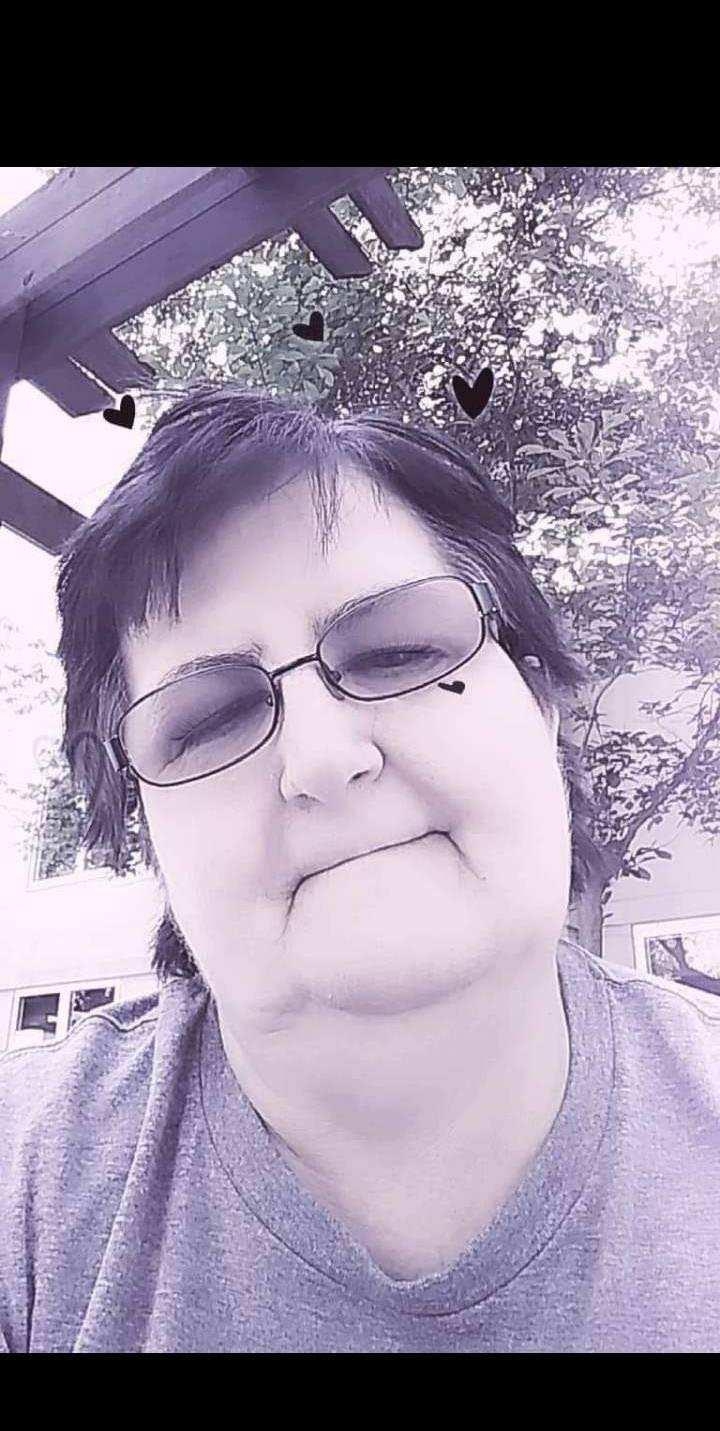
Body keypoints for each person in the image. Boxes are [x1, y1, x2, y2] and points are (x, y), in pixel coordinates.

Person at [1, 385, 719, 1353]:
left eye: (399, 650)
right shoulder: (28, 1185)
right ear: (148, 839)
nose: (322, 759)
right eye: (208, 719)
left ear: (540, 702)